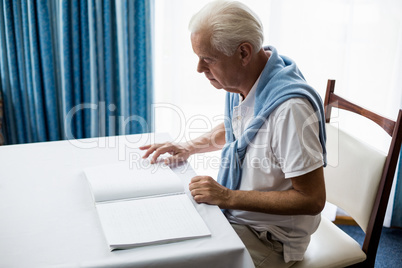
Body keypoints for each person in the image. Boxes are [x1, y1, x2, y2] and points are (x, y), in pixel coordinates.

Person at [140, 1, 327, 267]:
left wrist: (227, 197)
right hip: (240, 218)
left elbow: (312, 199)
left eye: (208, 59)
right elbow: (238, 128)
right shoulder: (252, 81)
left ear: (243, 52)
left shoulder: (290, 110)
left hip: (270, 238)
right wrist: (188, 147)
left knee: (171, 259)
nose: (199, 69)